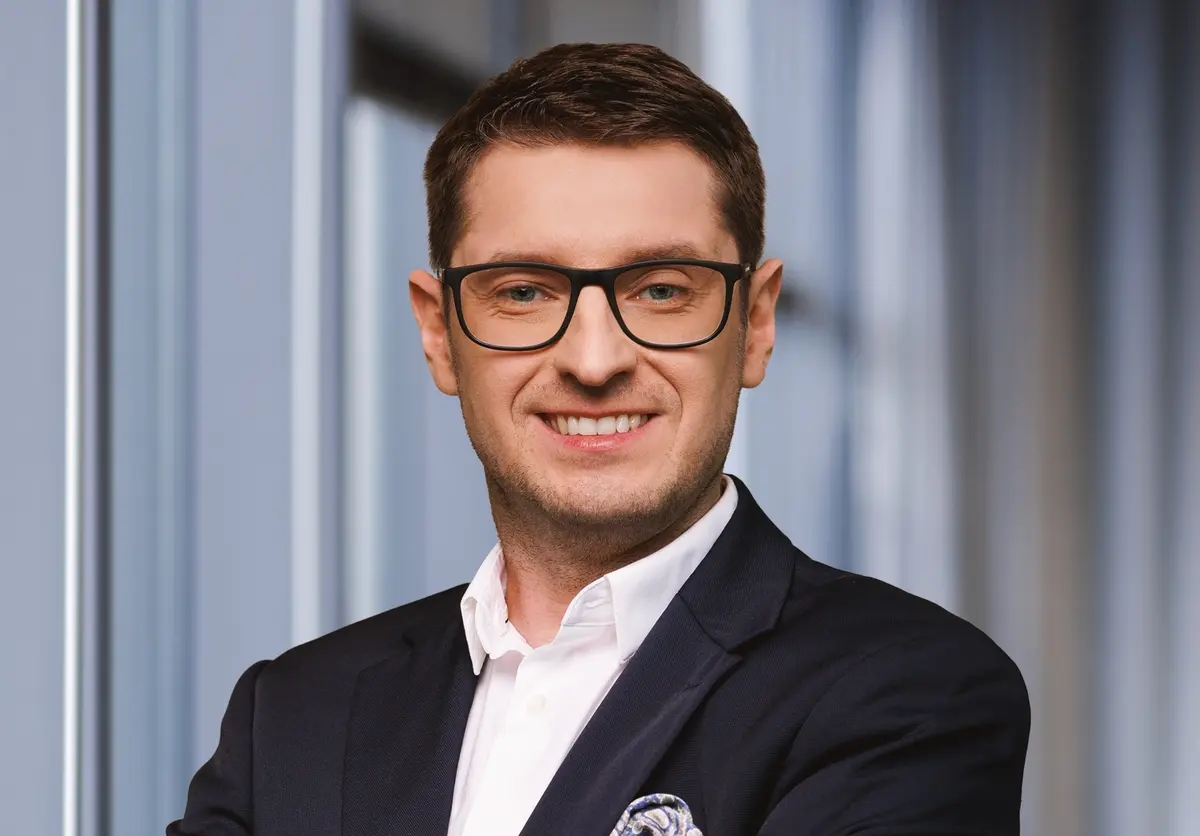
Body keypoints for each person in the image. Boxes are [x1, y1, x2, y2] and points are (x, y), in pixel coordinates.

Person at [169, 42, 1030, 836]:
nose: (594, 360)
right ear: (438, 334)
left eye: (661, 290)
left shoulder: (909, 695)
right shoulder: (294, 716)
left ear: (756, 323)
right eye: (523, 292)